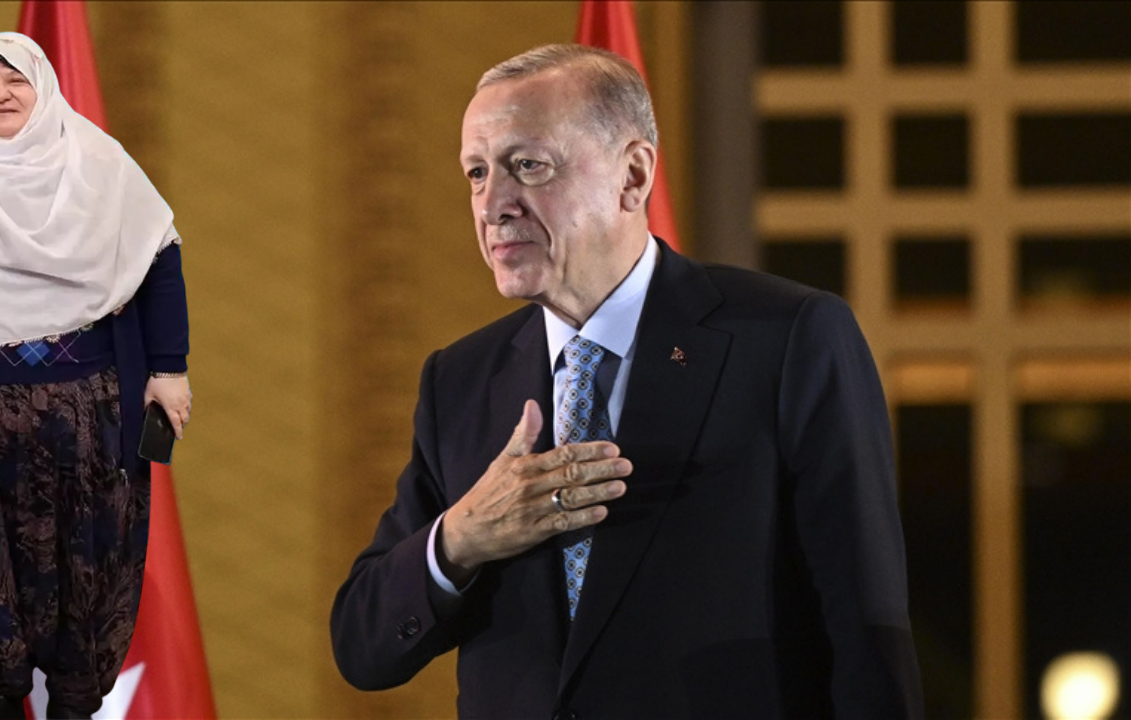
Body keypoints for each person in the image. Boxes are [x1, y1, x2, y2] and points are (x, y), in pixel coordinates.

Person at [331, 44, 922, 718]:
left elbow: (865, 628)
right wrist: (463, 536)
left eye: (528, 165)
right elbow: (363, 647)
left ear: (633, 176)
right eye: (476, 172)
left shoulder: (786, 340)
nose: (492, 205)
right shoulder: (460, 380)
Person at [0, 33, 190, 720]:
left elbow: (158, 258)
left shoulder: (99, 164)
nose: (1, 95)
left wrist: (169, 369)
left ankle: (74, 701)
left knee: (89, 556)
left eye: (15, 80)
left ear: (42, 88)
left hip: (85, 412)